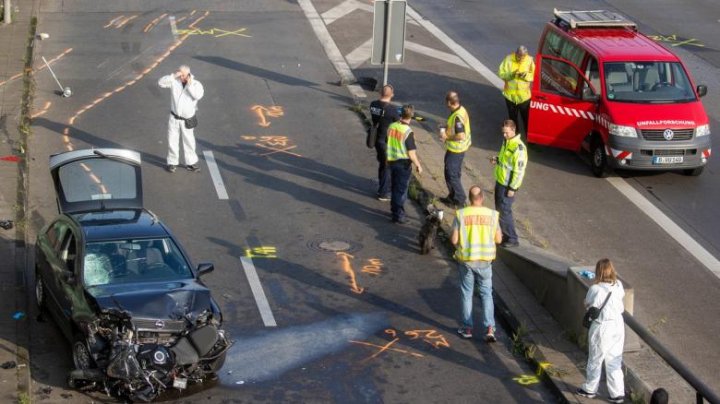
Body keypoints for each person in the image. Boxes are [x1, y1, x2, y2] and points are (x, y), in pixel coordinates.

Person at [451, 186, 502, 342]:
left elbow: (454, 240)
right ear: (482, 198)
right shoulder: (492, 215)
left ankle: (467, 328)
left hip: (467, 261)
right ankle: (489, 328)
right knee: (486, 294)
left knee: (467, 293)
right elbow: (499, 239)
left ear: (469, 198)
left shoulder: (461, 214)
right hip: (485, 261)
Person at [577, 258, 626, 403]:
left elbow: (588, 305)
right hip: (618, 325)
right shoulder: (618, 284)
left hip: (602, 326)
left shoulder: (595, 289)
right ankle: (617, 393)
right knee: (614, 360)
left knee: (595, 359)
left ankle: (590, 389)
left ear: (598, 271)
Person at [158, 65, 204, 173]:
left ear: (188, 74)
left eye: (183, 74)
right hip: (174, 117)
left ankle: (191, 163)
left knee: (189, 141)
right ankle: (172, 163)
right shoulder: (174, 81)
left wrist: (189, 84)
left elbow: (197, 95)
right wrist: (173, 76)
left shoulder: (196, 84)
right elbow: (161, 82)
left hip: (187, 119)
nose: (181, 77)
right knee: (172, 140)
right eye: (180, 73)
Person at [491, 120, 527, 247]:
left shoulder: (519, 148)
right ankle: (504, 235)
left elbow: (519, 171)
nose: (504, 135)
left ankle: (512, 239)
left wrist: (512, 188)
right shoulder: (507, 142)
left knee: (504, 211)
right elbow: (506, 161)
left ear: (513, 130)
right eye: (503, 133)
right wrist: (497, 159)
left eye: (506, 133)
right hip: (500, 182)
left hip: (507, 186)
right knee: (500, 211)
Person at [386, 105, 422, 224]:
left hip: (392, 161)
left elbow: (388, 141)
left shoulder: (392, 126)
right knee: (400, 191)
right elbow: (411, 153)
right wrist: (418, 165)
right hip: (403, 164)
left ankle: (394, 210)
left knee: (394, 187)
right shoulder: (408, 132)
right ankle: (399, 216)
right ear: (411, 116)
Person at [439, 91, 471, 209]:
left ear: (449, 102)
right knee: (452, 173)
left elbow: (460, 135)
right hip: (458, 149)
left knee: (451, 174)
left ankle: (459, 199)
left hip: (456, 150)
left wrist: (447, 137)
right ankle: (452, 196)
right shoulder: (461, 110)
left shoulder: (457, 116)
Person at [369, 84, 400, 201]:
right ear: (391, 95)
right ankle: (383, 193)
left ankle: (382, 185)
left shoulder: (373, 105)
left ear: (380, 93)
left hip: (377, 138)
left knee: (382, 164)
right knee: (387, 166)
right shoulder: (392, 110)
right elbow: (399, 123)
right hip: (387, 141)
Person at [498, 45, 535, 134]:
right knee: (513, 120)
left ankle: (528, 137)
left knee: (526, 119)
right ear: (516, 53)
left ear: (526, 55)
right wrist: (511, 75)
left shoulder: (529, 61)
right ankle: (514, 135)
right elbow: (501, 74)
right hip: (510, 97)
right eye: (519, 57)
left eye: (523, 57)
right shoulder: (508, 59)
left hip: (524, 98)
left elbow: (534, 76)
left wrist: (525, 75)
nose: (521, 59)